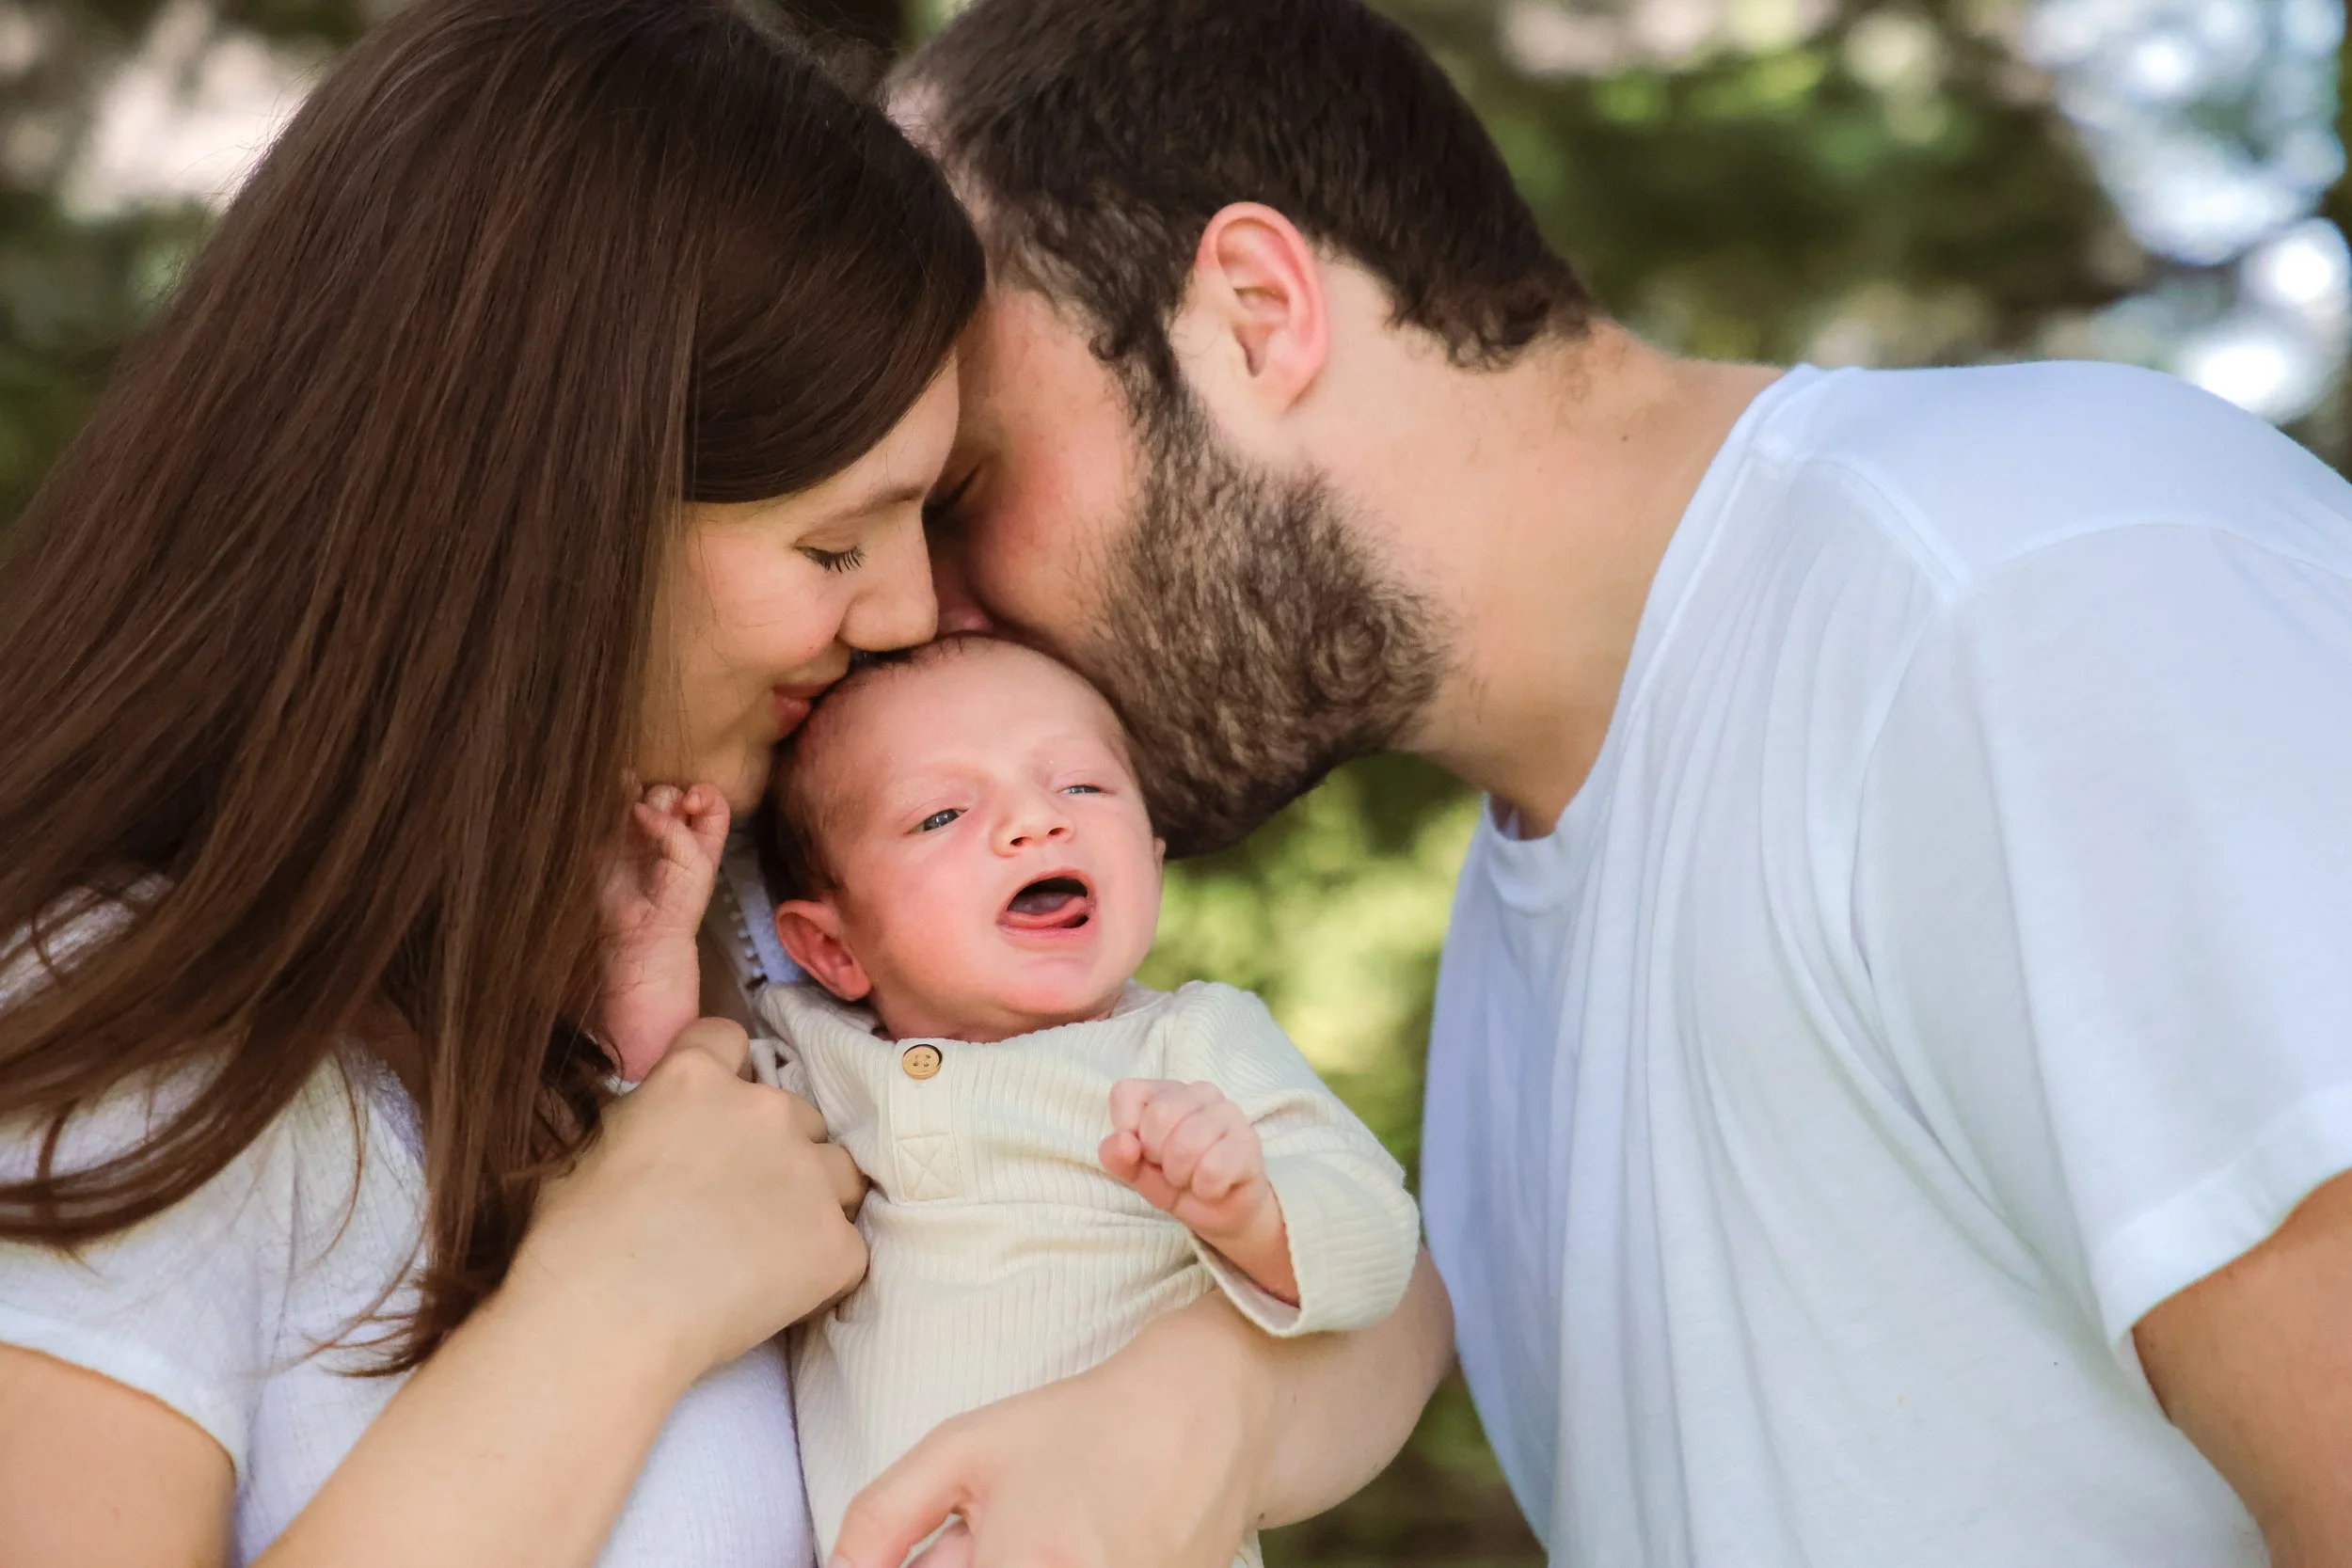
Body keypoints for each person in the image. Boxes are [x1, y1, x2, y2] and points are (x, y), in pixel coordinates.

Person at [892, 1, 2352, 1564]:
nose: (925, 611)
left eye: (966, 493)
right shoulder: (1517, 924)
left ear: (1254, 310)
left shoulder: (2023, 594)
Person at [0, 4, 1450, 1565]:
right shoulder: (129, 1053)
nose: (907, 613)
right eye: (834, 543)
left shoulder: (759, 908)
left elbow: (1389, 1306)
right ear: (536, 527)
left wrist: (1189, 1415)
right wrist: (615, 1302)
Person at [595, 633, 1422, 1561]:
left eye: (1081, 786)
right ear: (832, 948)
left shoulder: (1190, 1043)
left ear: (1150, 860)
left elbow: (1379, 1238)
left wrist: (1257, 1213)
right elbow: (673, 1138)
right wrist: (647, 965)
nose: (1035, 821)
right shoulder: (815, 1056)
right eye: (942, 814)